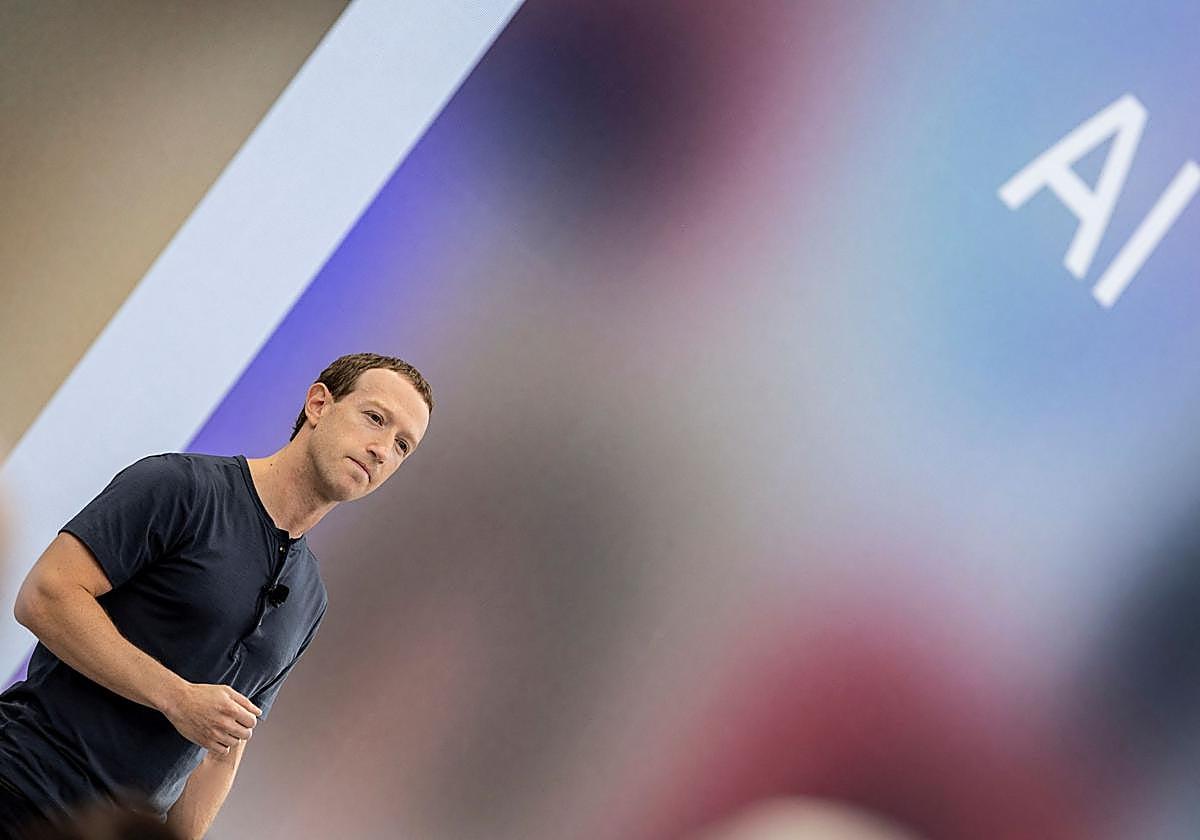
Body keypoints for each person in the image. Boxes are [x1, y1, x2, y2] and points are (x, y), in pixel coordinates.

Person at [0, 353, 432, 839]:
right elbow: (45, 596)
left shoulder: (311, 597)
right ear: (318, 404)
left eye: (402, 445)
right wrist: (176, 697)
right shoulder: (181, 487)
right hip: (22, 788)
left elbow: (221, 750)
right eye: (375, 418)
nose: (382, 450)